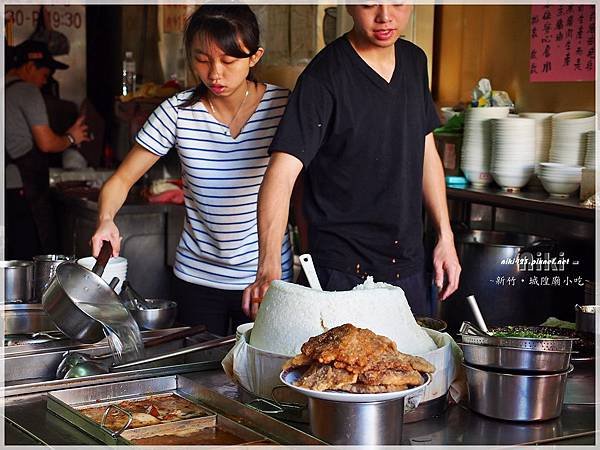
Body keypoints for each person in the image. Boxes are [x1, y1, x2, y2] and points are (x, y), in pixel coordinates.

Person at [243, 4, 461, 319]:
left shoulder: (415, 61)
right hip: (341, 271)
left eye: (398, 3)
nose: (385, 16)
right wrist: (268, 266)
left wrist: (445, 236)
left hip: (409, 265)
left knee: (415, 365)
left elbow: (426, 151)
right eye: (369, 3)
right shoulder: (323, 77)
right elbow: (282, 173)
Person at [91, 5, 293, 335]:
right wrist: (106, 220)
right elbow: (121, 180)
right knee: (199, 377)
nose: (215, 73)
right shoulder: (177, 112)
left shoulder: (284, 107)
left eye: (228, 61)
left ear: (255, 57)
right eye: (202, 59)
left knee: (262, 378)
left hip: (267, 278)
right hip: (197, 278)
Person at [5, 40, 89, 260]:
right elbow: (47, 143)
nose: (46, 80)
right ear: (29, 67)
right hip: (20, 191)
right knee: (28, 258)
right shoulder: (26, 91)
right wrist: (73, 137)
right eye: (45, 73)